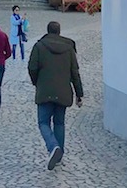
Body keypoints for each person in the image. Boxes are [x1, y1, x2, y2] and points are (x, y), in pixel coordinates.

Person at [28, 20, 83, 170]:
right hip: (63, 91)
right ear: (59, 32)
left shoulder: (39, 46)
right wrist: (79, 94)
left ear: (48, 30)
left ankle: (53, 147)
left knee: (43, 122)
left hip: (45, 91)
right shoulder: (69, 48)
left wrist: (37, 82)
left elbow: (32, 67)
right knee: (59, 123)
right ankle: (59, 155)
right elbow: (75, 73)